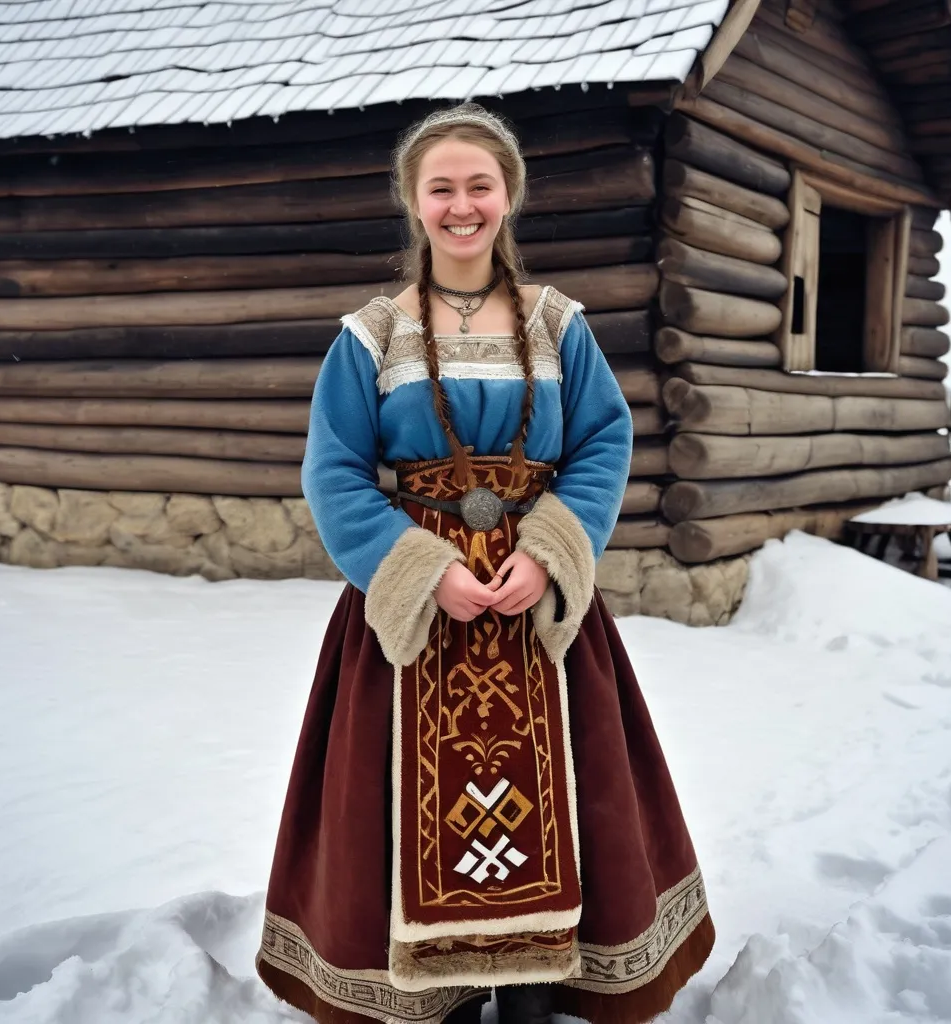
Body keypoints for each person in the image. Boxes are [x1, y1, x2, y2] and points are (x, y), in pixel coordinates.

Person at [256, 103, 713, 1024]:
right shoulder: (373, 334)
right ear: (413, 203)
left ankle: (539, 994)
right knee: (398, 810)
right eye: (441, 189)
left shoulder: (556, 327)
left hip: (539, 611)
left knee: (570, 795)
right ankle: (443, 1000)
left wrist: (550, 554)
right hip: (416, 620)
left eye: (479, 186)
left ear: (508, 198)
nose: (461, 206)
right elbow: (334, 469)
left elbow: (602, 442)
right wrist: (423, 571)